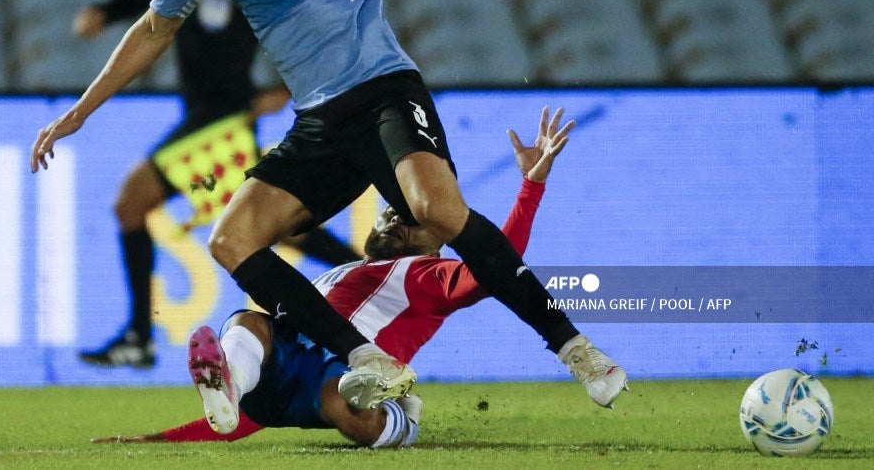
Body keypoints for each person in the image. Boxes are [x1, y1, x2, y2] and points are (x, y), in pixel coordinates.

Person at [31, 0, 626, 409]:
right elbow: (154, 28)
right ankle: (365, 357)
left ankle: (573, 347)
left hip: (384, 89)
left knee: (434, 210)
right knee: (230, 239)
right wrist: (82, 110)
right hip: (319, 124)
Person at [91, 107, 618, 447]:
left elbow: (496, 270)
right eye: (387, 212)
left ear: (434, 234)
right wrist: (160, 441)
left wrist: (530, 186)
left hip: (344, 382)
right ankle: (229, 380)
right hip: (282, 379)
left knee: (338, 397)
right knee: (250, 322)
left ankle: (398, 422)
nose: (389, 220)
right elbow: (241, 426)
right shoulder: (343, 272)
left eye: (404, 219)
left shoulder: (426, 274)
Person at [72, 0, 361, 368]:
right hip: (207, 118)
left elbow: (302, 18)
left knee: (135, 203)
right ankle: (369, 273)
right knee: (275, 226)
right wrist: (107, 10)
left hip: (225, 119)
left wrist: (286, 86)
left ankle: (138, 336)